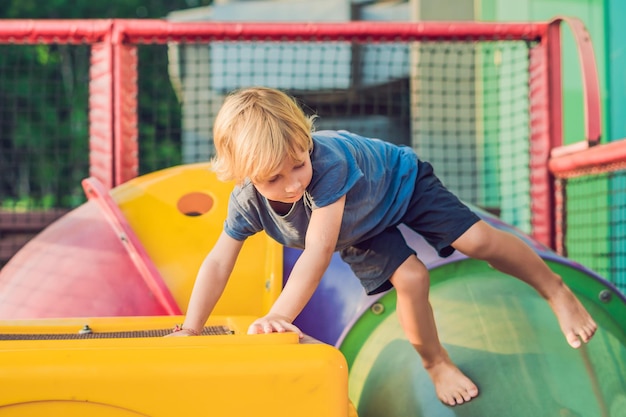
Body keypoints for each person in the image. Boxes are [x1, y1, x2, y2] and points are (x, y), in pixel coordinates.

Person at [168, 86, 597, 406]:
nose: (293, 183)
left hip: (398, 186)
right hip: (356, 228)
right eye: (273, 180)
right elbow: (219, 261)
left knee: (479, 240)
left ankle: (554, 288)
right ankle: (436, 363)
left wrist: (279, 314)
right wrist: (191, 327)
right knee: (411, 279)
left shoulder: (327, 165)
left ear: (307, 142)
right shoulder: (246, 202)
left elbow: (318, 250)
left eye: (298, 165)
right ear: (243, 176)